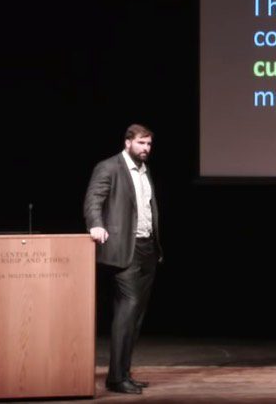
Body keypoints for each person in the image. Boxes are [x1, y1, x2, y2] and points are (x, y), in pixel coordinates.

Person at [84, 124, 162, 394]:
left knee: (137, 316)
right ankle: (116, 378)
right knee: (127, 310)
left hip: (147, 248)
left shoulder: (144, 170)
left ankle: (124, 372)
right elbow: (94, 199)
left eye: (149, 144)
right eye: (141, 143)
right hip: (123, 249)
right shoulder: (109, 167)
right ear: (128, 142)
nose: (146, 149)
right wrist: (95, 224)